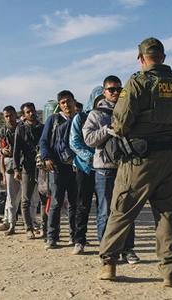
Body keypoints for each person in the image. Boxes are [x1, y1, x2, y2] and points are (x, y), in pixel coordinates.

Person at [96, 37, 172, 287]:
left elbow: (122, 121)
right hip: (171, 159)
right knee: (168, 214)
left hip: (139, 161)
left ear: (141, 58)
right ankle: (170, 272)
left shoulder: (136, 83)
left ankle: (109, 264)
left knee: (122, 211)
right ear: (163, 58)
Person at [83, 75, 139, 264]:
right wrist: (107, 129)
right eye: (111, 89)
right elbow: (89, 139)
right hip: (105, 170)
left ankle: (128, 249)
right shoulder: (96, 114)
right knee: (105, 211)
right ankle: (106, 250)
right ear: (104, 92)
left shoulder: (129, 110)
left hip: (126, 167)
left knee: (127, 211)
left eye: (118, 89)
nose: (115, 92)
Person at [39, 90, 78, 249]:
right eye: (62, 103)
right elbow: (44, 141)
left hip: (77, 167)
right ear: (59, 105)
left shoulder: (80, 119)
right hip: (58, 167)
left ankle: (75, 236)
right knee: (56, 202)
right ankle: (52, 237)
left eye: (68, 101)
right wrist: (47, 157)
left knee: (76, 203)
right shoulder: (53, 120)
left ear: (74, 101)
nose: (66, 105)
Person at [69, 86, 103, 255]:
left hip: (104, 168)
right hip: (85, 167)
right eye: (98, 99)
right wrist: (91, 157)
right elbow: (74, 142)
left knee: (103, 206)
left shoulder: (109, 116)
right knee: (82, 204)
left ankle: (104, 241)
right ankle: (79, 240)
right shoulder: (81, 118)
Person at [13, 102, 46, 239]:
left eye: (32, 111)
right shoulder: (20, 129)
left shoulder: (43, 128)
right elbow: (16, 151)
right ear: (24, 115)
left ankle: (44, 228)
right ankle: (29, 228)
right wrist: (16, 169)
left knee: (44, 199)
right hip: (27, 168)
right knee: (25, 200)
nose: (31, 113)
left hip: (42, 169)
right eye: (28, 112)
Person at [0, 106, 21, 235]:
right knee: (11, 197)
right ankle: (10, 223)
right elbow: (0, 148)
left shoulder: (22, 129)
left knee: (27, 198)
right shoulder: (2, 132)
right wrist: (2, 151)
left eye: (11, 115)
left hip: (23, 165)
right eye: (6, 116)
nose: (9, 118)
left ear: (15, 115)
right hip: (10, 165)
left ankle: (31, 223)